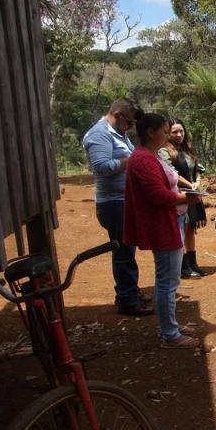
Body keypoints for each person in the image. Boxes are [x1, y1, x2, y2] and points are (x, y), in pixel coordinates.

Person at [124, 113, 201, 349]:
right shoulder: (144, 159)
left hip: (166, 221)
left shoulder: (148, 156)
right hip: (160, 224)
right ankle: (170, 334)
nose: (169, 136)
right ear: (150, 132)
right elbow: (157, 195)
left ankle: (171, 325)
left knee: (168, 279)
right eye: (165, 132)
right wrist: (184, 198)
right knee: (167, 281)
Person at [82, 98, 152, 316]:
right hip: (113, 204)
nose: (130, 127)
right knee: (123, 252)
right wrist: (128, 161)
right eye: (129, 122)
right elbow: (101, 167)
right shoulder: (99, 135)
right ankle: (127, 299)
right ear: (119, 115)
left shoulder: (118, 133)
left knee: (127, 250)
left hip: (123, 201)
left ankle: (129, 291)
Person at [159, 118, 208, 279]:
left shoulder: (188, 149)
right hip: (180, 196)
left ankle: (192, 263)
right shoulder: (164, 151)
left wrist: (198, 182)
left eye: (181, 131)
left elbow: (197, 167)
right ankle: (182, 267)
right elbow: (172, 173)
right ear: (168, 133)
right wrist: (191, 185)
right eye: (175, 132)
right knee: (181, 229)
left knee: (190, 229)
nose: (179, 135)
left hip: (193, 194)